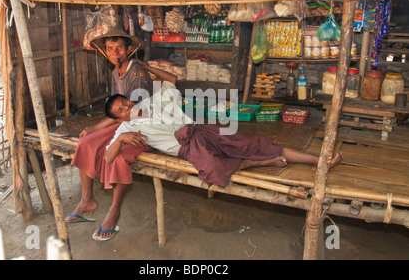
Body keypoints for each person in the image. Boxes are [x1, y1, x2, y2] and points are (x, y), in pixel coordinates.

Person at [105, 77, 343, 199]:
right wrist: (121, 138)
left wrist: (149, 68)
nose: (126, 108)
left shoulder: (150, 101)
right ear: (117, 119)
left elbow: (171, 81)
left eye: (125, 102)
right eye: (120, 110)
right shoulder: (124, 128)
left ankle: (317, 160)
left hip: (201, 130)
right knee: (213, 170)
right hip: (185, 149)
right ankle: (259, 163)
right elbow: (107, 158)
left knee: (253, 144)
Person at [66, 26, 175, 242]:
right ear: (105, 52)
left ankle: (114, 210)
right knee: (86, 143)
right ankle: (87, 199)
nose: (115, 53)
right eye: (110, 49)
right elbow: (118, 110)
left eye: (119, 48)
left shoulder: (138, 72)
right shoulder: (116, 72)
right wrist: (95, 130)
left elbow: (129, 112)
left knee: (117, 155)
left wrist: (97, 127)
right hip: (124, 122)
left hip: (143, 124)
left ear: (128, 50)